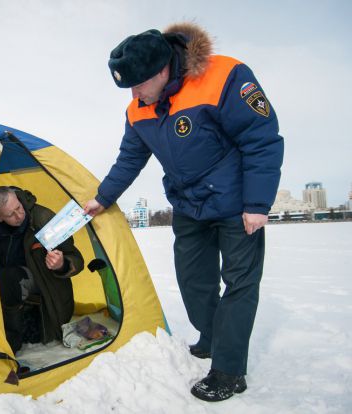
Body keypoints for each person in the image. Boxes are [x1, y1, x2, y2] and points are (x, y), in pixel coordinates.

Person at [84, 22, 284, 402]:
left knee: (239, 284)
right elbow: (130, 158)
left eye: (138, 83)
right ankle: (211, 337)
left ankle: (228, 370)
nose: (133, 92)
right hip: (189, 205)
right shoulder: (138, 109)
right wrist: (102, 197)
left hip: (236, 204)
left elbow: (261, 138)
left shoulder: (225, 76)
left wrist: (257, 204)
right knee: (194, 282)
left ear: (161, 70)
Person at [0, 186, 84, 354]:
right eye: (11, 215)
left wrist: (61, 264)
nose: (19, 215)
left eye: (18, 207)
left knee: (9, 279)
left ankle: (11, 345)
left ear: (18, 198)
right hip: (1, 286)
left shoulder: (44, 219)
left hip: (45, 285)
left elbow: (77, 259)